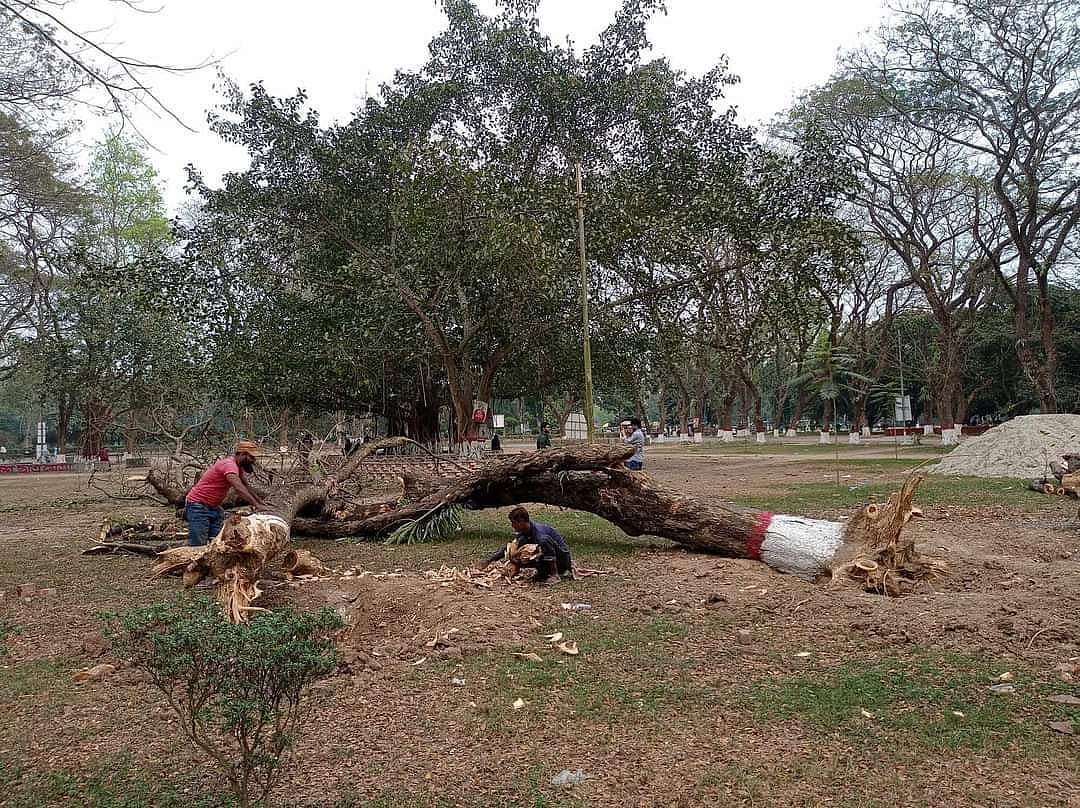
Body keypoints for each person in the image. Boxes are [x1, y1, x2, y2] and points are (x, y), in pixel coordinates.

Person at [184, 440, 267, 547]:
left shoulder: (237, 468)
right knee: (198, 545)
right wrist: (256, 505)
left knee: (219, 544)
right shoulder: (229, 465)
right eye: (251, 457)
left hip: (214, 508)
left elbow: (247, 487)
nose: (253, 460)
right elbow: (239, 487)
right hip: (198, 506)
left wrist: (261, 504)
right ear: (242, 454)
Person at [479, 506, 572, 582]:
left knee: (544, 540)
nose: (512, 526)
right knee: (521, 548)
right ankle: (543, 573)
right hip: (545, 557)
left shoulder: (539, 533)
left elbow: (545, 549)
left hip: (562, 561)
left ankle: (554, 574)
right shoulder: (525, 533)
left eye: (514, 523)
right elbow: (509, 548)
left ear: (521, 521)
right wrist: (489, 560)